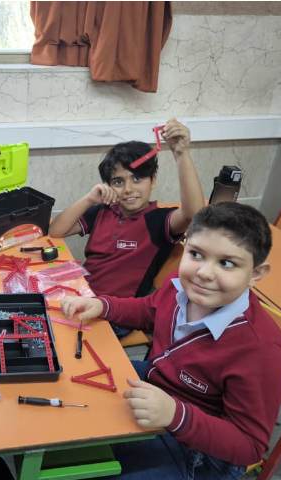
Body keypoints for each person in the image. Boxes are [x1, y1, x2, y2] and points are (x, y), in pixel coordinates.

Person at [60, 202, 281, 479]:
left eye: (226, 263)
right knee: (70, 393)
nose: (204, 273)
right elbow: (148, 310)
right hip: (159, 388)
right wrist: (103, 305)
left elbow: (249, 446)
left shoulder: (261, 349)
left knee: (88, 460)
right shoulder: (180, 286)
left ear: (256, 274)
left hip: (201, 450)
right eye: (196, 254)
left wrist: (175, 415)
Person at [49, 118, 204, 337]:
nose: (128, 189)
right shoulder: (104, 211)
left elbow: (193, 213)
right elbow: (56, 231)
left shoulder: (159, 221)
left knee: (60, 339)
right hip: (82, 295)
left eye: (137, 179)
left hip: (117, 314)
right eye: (118, 182)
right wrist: (89, 199)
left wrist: (181, 153)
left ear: (153, 180)